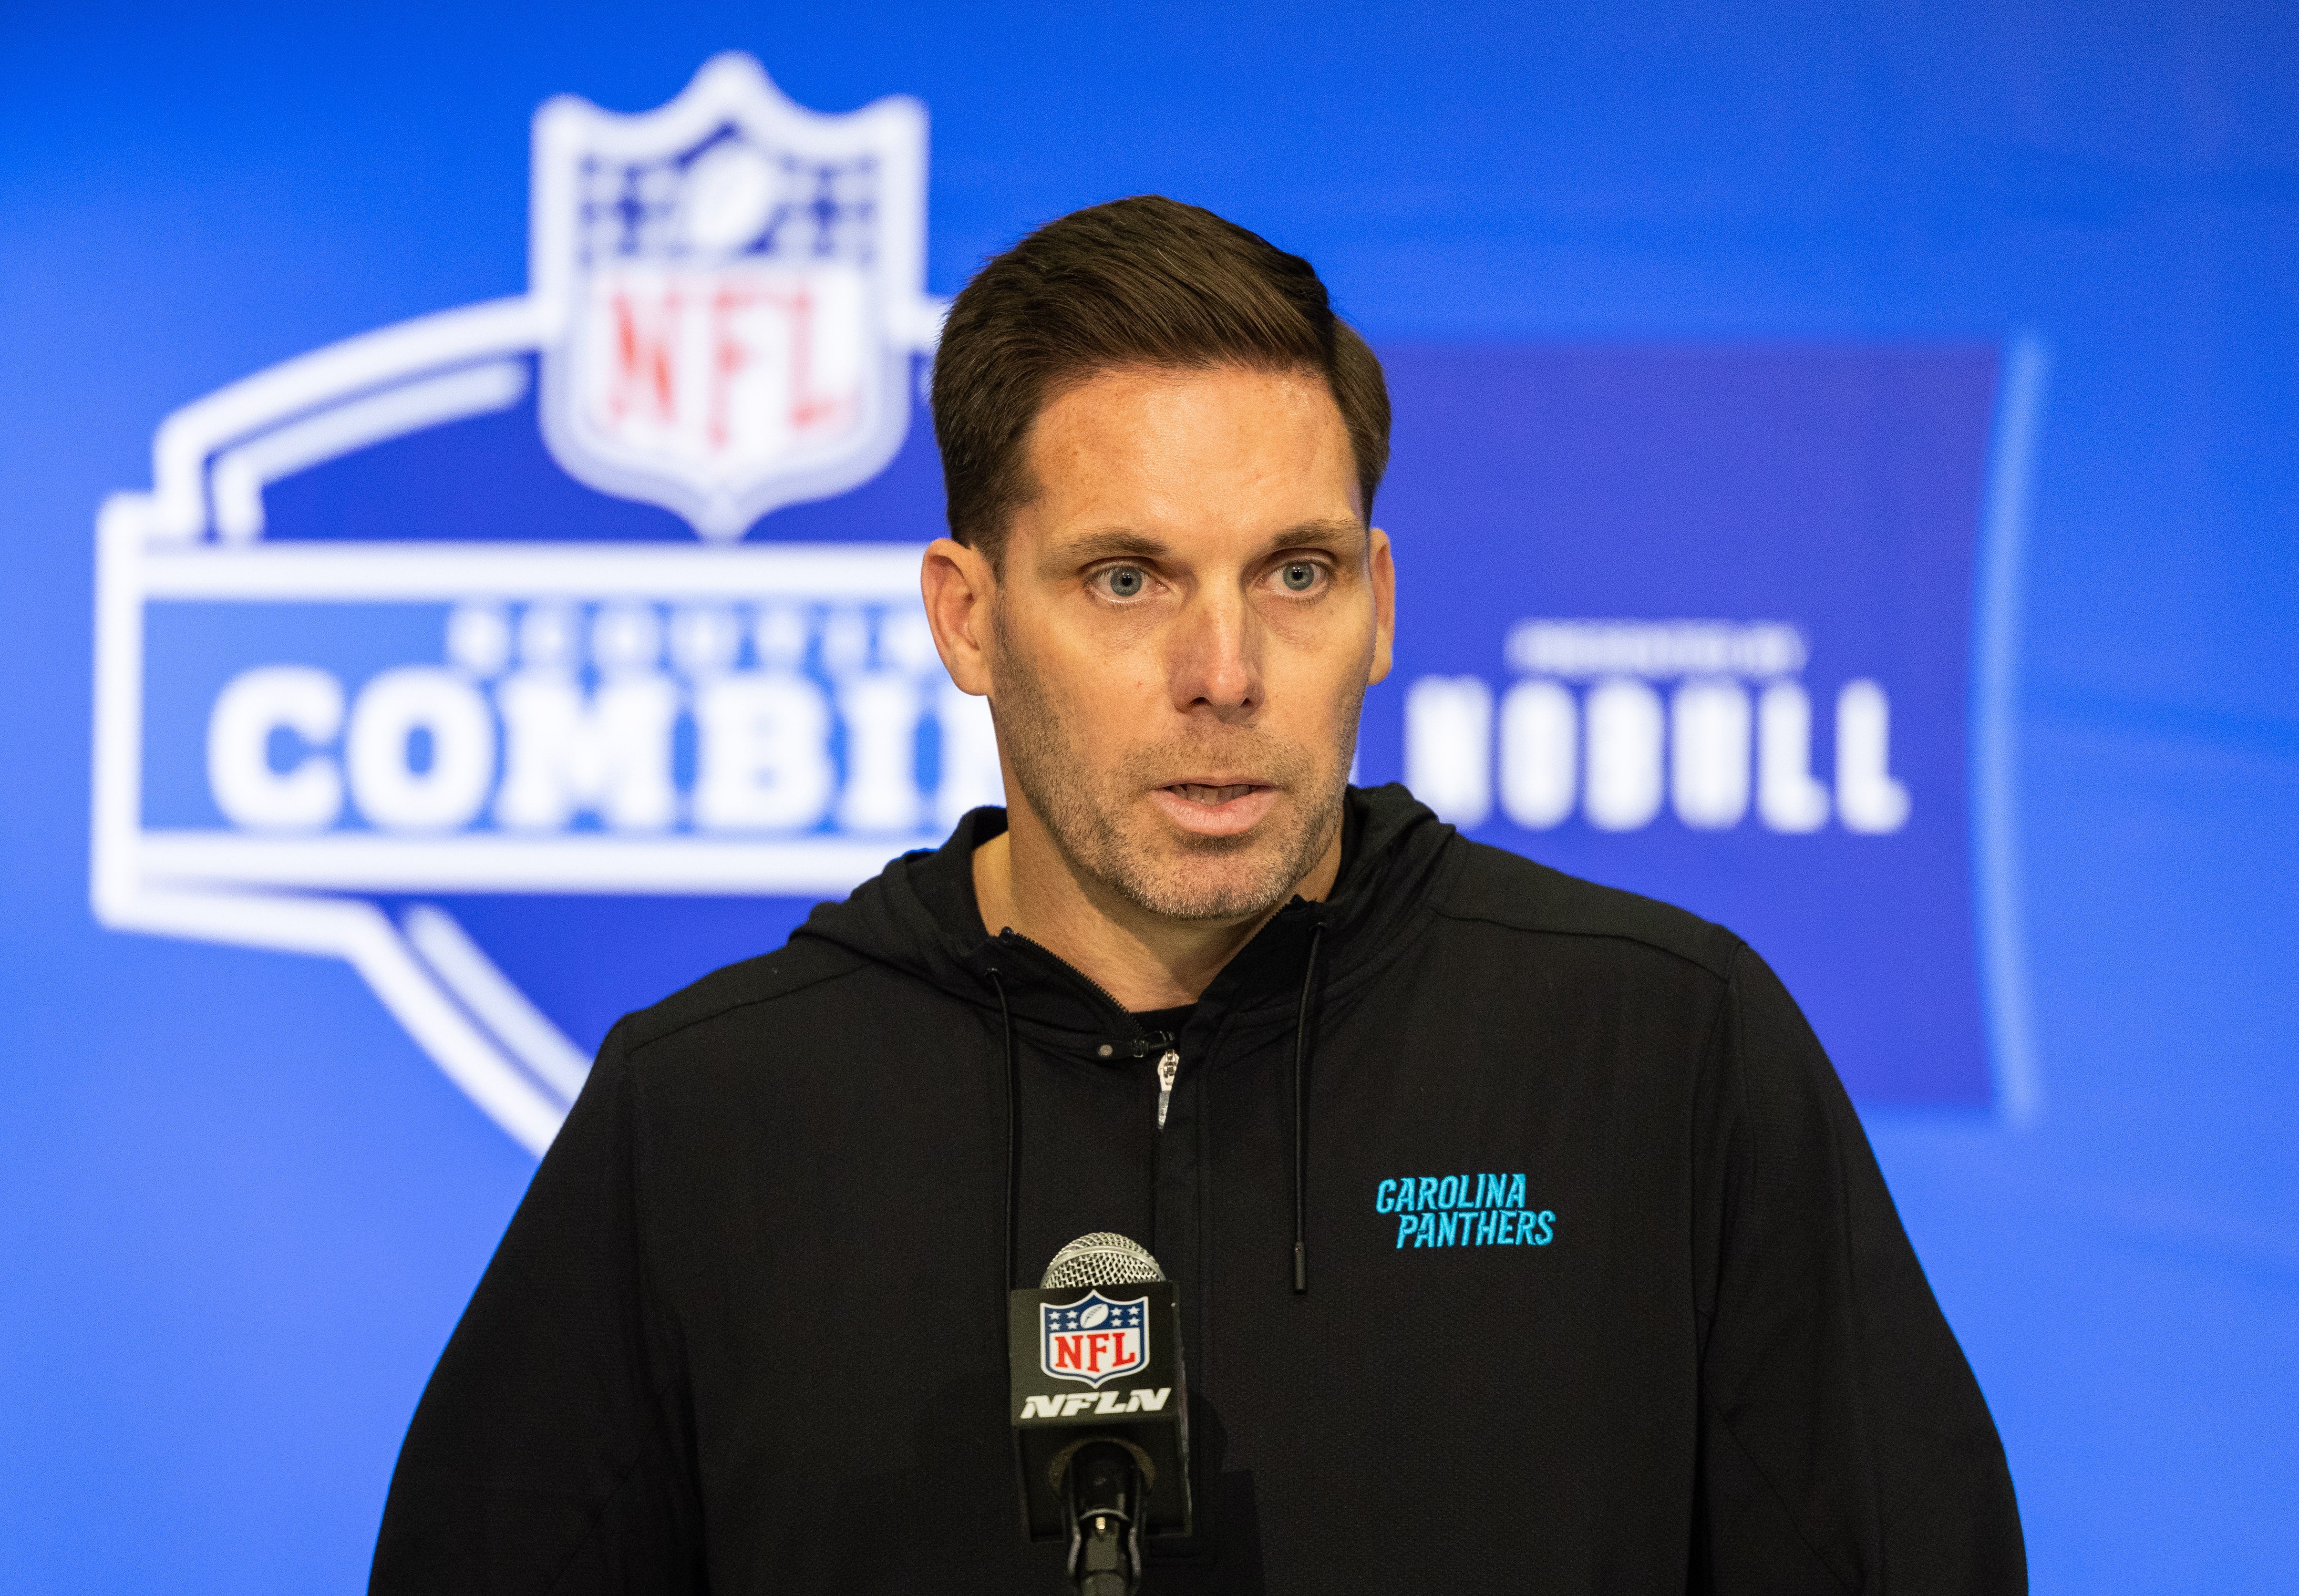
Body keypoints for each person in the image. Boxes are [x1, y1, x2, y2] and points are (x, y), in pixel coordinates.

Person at [369, 196, 2026, 1594]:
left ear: (1380, 605)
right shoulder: (706, 1117)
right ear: (966, 617)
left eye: (1295, 573)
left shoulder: (1663, 1052)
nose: (1223, 671)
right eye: (1126, 578)